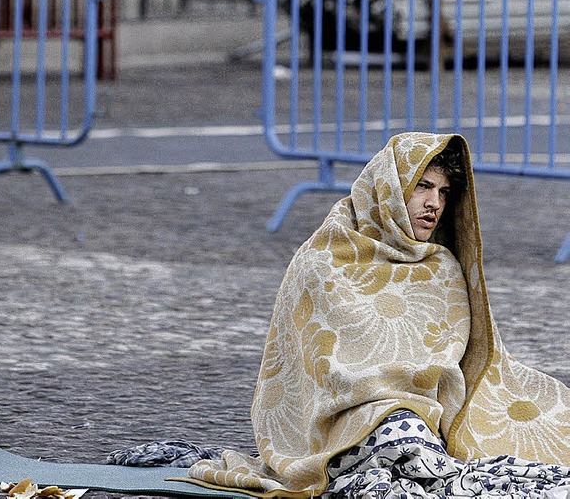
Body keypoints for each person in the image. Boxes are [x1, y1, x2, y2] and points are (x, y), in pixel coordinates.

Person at [110, 133, 570, 498]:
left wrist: (417, 401)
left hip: (421, 417)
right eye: (422, 187)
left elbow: (469, 363)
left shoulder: (443, 267)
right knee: (406, 448)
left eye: (444, 192)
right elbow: (306, 368)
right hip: (342, 420)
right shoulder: (322, 260)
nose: (434, 203)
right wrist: (379, 396)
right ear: (390, 189)